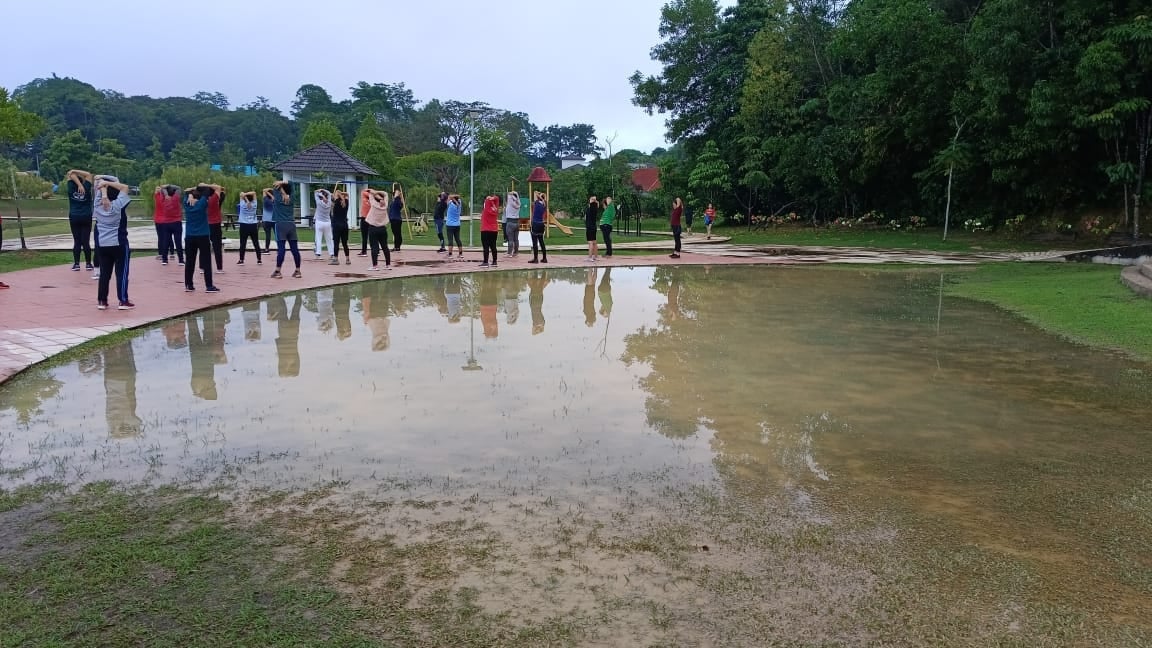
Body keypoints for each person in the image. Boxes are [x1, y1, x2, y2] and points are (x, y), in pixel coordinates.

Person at [91, 176, 134, 310]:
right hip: (119, 244)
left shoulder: (97, 205)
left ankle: (102, 301)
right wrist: (107, 182)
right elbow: (125, 187)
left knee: (104, 274)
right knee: (122, 273)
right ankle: (123, 300)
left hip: (103, 245)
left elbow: (99, 188)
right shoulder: (118, 206)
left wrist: (102, 187)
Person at [183, 186, 219, 293]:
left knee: (189, 261)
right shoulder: (202, 204)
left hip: (189, 236)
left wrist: (189, 193)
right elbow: (208, 190)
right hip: (203, 235)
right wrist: (199, 186)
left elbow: (185, 192)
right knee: (206, 261)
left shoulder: (186, 204)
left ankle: (189, 285)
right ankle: (209, 286)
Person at [270, 181, 302, 279]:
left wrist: (279, 185)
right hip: (291, 224)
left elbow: (274, 186)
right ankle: (298, 271)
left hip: (280, 224)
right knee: (294, 249)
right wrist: (284, 183)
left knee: (281, 249)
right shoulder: (291, 199)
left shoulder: (278, 199)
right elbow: (292, 185)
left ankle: (278, 271)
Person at [66, 169, 95, 273]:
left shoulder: (70, 188)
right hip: (86, 216)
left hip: (74, 216)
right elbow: (88, 174)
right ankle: (88, 264)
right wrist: (81, 184)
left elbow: (70, 174)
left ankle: (76, 264)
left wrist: (73, 172)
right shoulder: (86, 187)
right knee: (85, 241)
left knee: (77, 241)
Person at [364, 189, 393, 271]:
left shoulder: (373, 204)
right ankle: (388, 265)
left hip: (373, 228)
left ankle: (375, 266)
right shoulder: (385, 205)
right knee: (385, 247)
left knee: (374, 247)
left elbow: (369, 193)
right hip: (383, 229)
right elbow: (386, 193)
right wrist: (380, 197)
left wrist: (373, 192)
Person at [202, 183, 226, 273]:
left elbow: (198, 186)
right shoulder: (215, 199)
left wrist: (204, 186)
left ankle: (202, 267)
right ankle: (219, 268)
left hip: (206, 225)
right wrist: (209, 185)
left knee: (204, 247)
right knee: (217, 247)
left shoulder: (202, 201)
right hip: (215, 224)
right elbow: (219, 188)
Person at [159, 185, 184, 266]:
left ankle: (164, 259)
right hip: (176, 222)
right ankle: (180, 260)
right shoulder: (176, 199)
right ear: (174, 193)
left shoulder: (163, 199)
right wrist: (169, 185)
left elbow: (162, 189)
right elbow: (179, 188)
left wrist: (165, 190)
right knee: (178, 242)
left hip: (166, 223)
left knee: (166, 241)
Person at [235, 191, 262, 265]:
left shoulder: (243, 204)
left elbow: (241, 193)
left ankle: (241, 260)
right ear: (253, 198)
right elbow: (254, 193)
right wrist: (247, 195)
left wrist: (245, 197)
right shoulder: (254, 204)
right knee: (256, 243)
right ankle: (259, 259)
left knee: (243, 243)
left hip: (244, 225)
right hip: (253, 225)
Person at [313, 188, 335, 263]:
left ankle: (318, 254)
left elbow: (315, 192)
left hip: (319, 222)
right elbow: (329, 193)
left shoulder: (319, 203)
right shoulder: (329, 203)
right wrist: (324, 190)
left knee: (318, 238)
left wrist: (320, 192)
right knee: (329, 239)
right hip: (327, 222)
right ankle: (332, 253)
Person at [479, 194, 500, 268]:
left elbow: (487, 202)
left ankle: (485, 262)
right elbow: (497, 198)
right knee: (493, 246)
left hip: (485, 229)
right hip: (494, 230)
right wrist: (492, 198)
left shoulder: (486, 210)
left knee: (486, 246)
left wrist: (488, 199)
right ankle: (494, 261)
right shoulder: (496, 209)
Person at [331, 189, 351, 264]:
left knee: (336, 243)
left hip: (336, 225)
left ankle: (336, 259)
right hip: (344, 225)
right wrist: (340, 193)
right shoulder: (345, 202)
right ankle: (347, 259)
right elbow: (347, 194)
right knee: (345, 243)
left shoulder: (335, 203)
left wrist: (336, 193)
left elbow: (332, 197)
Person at [529, 191, 548, 264]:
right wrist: (542, 195)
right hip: (541, 224)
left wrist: (538, 194)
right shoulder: (544, 205)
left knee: (535, 242)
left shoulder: (536, 203)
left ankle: (535, 259)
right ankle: (544, 258)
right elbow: (542, 199)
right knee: (541, 241)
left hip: (535, 224)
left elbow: (534, 193)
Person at [445, 194, 464, 259]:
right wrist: (454, 198)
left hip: (450, 225)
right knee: (458, 239)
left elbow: (449, 197)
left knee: (450, 239)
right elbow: (458, 197)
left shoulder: (450, 204)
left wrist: (452, 198)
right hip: (457, 225)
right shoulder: (459, 204)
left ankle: (450, 254)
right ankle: (461, 254)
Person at [504, 190, 521, 256]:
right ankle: (516, 252)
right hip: (517, 222)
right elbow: (517, 198)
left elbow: (508, 196)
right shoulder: (518, 204)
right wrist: (516, 193)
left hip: (510, 222)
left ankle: (509, 253)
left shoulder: (510, 203)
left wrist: (510, 193)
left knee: (510, 239)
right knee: (516, 239)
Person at [388, 188, 405, 252]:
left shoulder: (397, 201)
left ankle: (397, 246)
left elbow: (397, 195)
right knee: (396, 233)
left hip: (396, 219)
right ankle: (397, 247)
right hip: (394, 219)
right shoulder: (394, 202)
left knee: (397, 234)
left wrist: (397, 193)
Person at [585, 196, 600, 262]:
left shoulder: (590, 209)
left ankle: (590, 257)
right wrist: (595, 201)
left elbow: (591, 204)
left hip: (590, 227)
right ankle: (595, 257)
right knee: (594, 242)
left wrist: (593, 200)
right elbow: (597, 204)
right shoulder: (595, 208)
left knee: (590, 242)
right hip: (594, 227)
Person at [358, 187, 372, 257]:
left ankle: (364, 251)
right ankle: (376, 250)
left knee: (364, 236)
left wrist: (368, 190)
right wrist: (371, 191)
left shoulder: (364, 198)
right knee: (371, 235)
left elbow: (363, 191)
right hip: (370, 219)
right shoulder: (372, 201)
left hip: (365, 218)